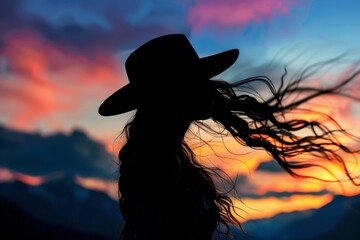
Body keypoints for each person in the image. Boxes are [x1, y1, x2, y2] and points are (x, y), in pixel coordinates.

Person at [98, 34, 360, 240]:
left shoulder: (158, 155)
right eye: (196, 79)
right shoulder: (160, 162)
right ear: (172, 92)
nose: (208, 86)